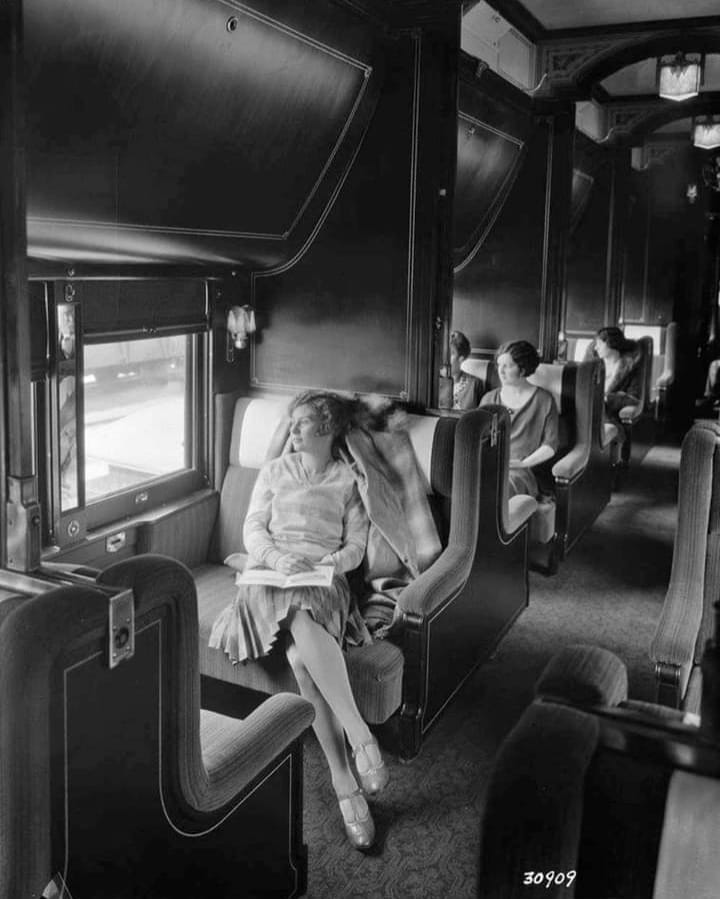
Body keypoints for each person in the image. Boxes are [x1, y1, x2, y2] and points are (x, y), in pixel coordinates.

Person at [208, 390, 387, 851]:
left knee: (302, 659)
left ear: (327, 429)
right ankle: (360, 734)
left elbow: (357, 544)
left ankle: (343, 779)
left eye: (302, 423)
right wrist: (275, 557)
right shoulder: (273, 472)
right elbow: (253, 528)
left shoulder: (349, 480)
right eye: (292, 422)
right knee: (296, 605)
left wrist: (330, 562)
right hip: (269, 576)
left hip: (322, 579)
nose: (292, 430)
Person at [480, 340, 558, 498]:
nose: (500, 371)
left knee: (496, 491)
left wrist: (523, 463)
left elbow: (550, 445)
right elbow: (478, 437)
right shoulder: (489, 399)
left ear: (523, 369)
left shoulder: (544, 400)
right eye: (499, 365)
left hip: (522, 472)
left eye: (507, 366)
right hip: (487, 465)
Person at [593, 326, 641, 425]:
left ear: (611, 343)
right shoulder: (594, 367)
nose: (595, 348)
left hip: (610, 419)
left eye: (599, 344)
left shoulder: (629, 368)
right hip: (588, 412)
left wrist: (608, 399)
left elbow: (634, 399)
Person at [450, 330, 483, 410]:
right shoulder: (432, 383)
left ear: (461, 358)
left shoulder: (475, 384)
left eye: (451, 353)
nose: (443, 358)